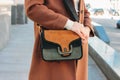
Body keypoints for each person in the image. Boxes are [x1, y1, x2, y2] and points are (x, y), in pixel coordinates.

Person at [25, 0, 94, 80]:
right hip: (54, 49)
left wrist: (87, 28)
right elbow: (33, 8)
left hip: (79, 51)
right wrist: (69, 24)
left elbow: (82, 10)